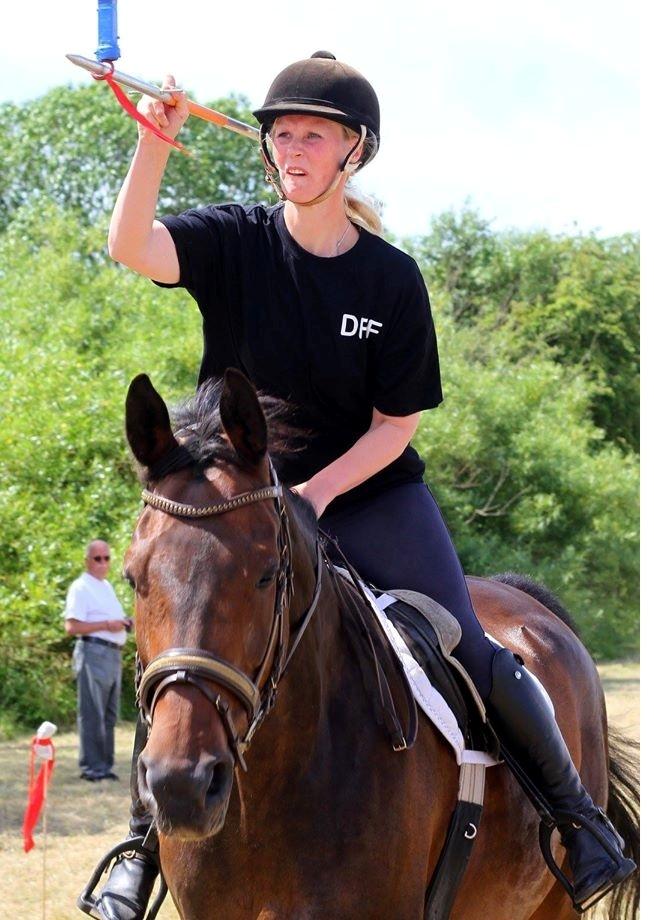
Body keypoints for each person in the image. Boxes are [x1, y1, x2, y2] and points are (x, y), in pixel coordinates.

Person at [81, 52, 634, 919]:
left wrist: (317, 494)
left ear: (355, 151)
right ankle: (143, 849)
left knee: (470, 646)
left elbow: (395, 425)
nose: (293, 149)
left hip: (370, 493)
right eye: (282, 135)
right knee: (191, 644)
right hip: (244, 500)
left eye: (315, 135)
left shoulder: (390, 279)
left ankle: (580, 821)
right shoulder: (233, 240)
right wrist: (156, 139)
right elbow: (129, 245)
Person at [65, 540, 132, 782]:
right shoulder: (81, 587)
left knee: (109, 714)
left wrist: (124, 623)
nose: (103, 563)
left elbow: (111, 620)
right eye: (97, 558)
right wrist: (106, 625)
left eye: (107, 558)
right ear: (87, 561)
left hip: (112, 654)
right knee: (92, 712)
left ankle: (104, 765)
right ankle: (92, 768)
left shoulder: (106, 587)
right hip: (93, 652)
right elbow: (71, 626)